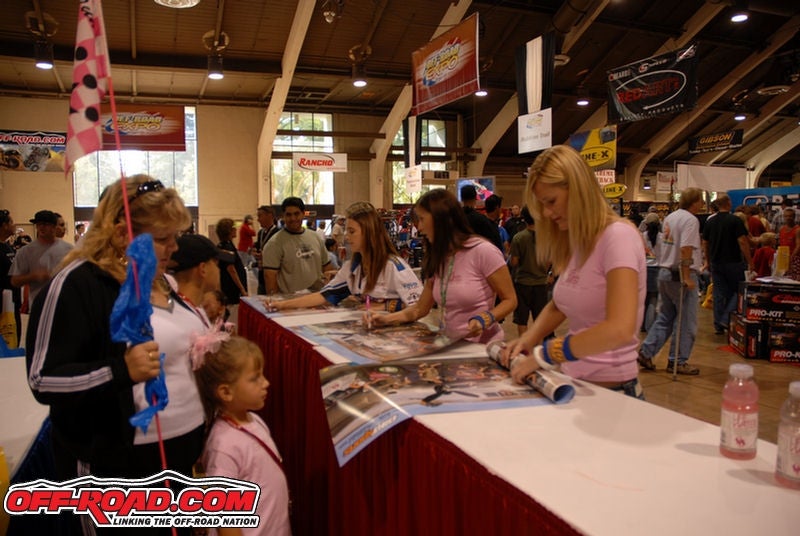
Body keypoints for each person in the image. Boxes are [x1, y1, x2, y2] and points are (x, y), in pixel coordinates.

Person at [26, 175, 192, 483]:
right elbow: (43, 380)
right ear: (121, 234)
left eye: (176, 236)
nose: (174, 248)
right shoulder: (75, 284)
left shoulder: (157, 279)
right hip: (110, 469)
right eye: (162, 239)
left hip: (171, 462)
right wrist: (119, 370)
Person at [501, 145, 646, 399]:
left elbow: (620, 328)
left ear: (577, 189)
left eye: (552, 201)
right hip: (577, 382)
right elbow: (559, 305)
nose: (547, 213)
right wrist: (529, 339)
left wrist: (545, 353)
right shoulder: (578, 242)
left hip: (613, 391)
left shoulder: (618, 237)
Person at [372, 189, 516, 344]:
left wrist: (486, 318)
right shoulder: (439, 256)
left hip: (482, 349)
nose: (419, 227)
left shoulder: (484, 251)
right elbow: (420, 308)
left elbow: (510, 299)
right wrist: (386, 319)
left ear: (440, 219)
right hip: (452, 346)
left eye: (421, 219)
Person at [193, 334, 291, 536]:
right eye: (255, 378)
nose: (266, 383)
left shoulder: (255, 421)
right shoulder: (223, 446)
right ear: (226, 392)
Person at [270, 201, 422, 312]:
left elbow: (421, 303)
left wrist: (385, 306)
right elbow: (325, 296)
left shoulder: (393, 266)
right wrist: (282, 305)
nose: (346, 237)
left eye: (351, 231)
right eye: (346, 231)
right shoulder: (352, 268)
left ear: (369, 232)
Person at [637, 187, 704, 375]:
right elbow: (686, 249)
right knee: (686, 321)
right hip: (680, 274)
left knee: (666, 317)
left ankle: (647, 352)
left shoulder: (671, 217)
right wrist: (687, 276)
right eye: (700, 200)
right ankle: (678, 360)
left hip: (664, 272)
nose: (702, 204)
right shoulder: (690, 220)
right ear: (695, 201)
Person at [701, 194, 753, 335]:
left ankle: (718, 324)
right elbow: (743, 241)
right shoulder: (735, 220)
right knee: (738, 291)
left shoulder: (710, 222)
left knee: (718, 293)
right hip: (734, 262)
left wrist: (707, 260)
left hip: (716, 262)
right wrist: (750, 261)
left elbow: (705, 242)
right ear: (728, 204)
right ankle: (725, 318)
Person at [262, 197, 331, 294]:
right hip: (290, 303)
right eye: (288, 215)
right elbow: (270, 277)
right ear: (283, 216)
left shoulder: (315, 237)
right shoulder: (274, 244)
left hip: (317, 299)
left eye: (296, 214)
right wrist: (276, 302)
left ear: (303, 214)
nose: (293, 218)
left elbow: (327, 268)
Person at [9, 209, 73, 306]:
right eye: (38, 224)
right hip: (38, 304)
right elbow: (15, 281)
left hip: (64, 304)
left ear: (53, 226)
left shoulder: (69, 250)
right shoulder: (26, 251)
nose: (41, 227)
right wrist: (33, 276)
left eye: (45, 224)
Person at [508, 205, 552, 336]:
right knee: (539, 318)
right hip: (540, 283)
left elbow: (514, 262)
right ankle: (537, 347)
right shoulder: (546, 237)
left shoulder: (518, 238)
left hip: (522, 282)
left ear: (524, 219)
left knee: (522, 319)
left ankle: (523, 349)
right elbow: (549, 261)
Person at [216, 218, 248, 325]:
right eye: (234, 228)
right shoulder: (227, 247)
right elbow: (231, 270)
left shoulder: (223, 245)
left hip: (227, 288)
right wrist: (242, 288)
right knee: (232, 318)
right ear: (229, 231)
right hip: (231, 290)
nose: (236, 230)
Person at [459, 184, 504, 252]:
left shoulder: (454, 218)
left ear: (461, 198)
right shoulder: (482, 220)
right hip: (478, 256)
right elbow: (494, 245)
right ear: (475, 198)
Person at [0, 209, 22, 345]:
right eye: (12, 222)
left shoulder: (8, 246)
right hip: (2, 306)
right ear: (4, 225)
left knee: (14, 342)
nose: (14, 225)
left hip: (13, 303)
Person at [641, 211, 661, 332]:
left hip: (644, 269)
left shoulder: (642, 236)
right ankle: (651, 325)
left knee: (644, 300)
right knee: (654, 299)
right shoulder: (662, 237)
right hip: (657, 269)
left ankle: (642, 325)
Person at [254, 205, 279, 295]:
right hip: (261, 272)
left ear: (270, 216)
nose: (258, 219)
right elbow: (258, 247)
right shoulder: (260, 233)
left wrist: (265, 256)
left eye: (260, 216)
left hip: (273, 274)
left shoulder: (278, 233)